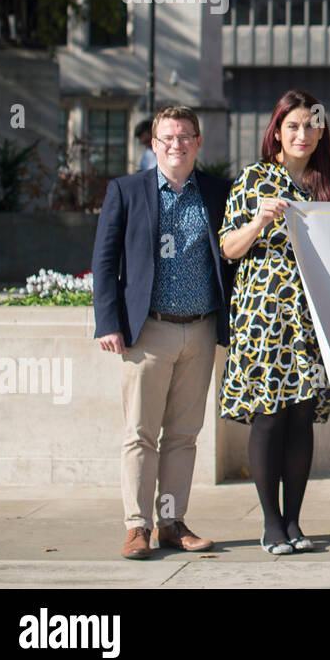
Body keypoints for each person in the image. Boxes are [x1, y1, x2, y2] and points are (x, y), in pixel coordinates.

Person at [92, 105, 231, 560]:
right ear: (154, 144)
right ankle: (138, 527)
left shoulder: (215, 191)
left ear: (198, 143)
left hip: (201, 329)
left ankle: (172, 523)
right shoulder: (127, 191)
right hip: (147, 331)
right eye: (168, 137)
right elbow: (105, 262)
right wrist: (109, 321)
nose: (178, 144)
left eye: (186, 136)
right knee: (140, 434)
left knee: (183, 436)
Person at [219, 90, 330, 554]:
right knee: (268, 418)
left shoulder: (328, 184)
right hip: (263, 317)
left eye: (311, 126)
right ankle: (270, 523)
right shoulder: (254, 179)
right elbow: (229, 248)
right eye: (292, 125)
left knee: (300, 419)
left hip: (310, 321)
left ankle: (294, 522)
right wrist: (258, 220)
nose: (302, 134)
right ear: (277, 130)